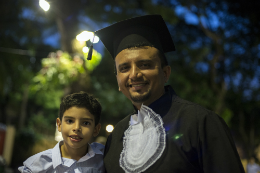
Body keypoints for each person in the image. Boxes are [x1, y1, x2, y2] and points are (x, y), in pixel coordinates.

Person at [92, 15, 246, 173]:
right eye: (124, 68)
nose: (134, 74)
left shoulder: (200, 123)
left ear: (165, 73)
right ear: (118, 80)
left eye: (145, 65)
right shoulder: (117, 135)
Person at [18, 92, 105, 173]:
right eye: (70, 121)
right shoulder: (36, 166)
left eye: (86, 123)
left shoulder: (104, 158)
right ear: (59, 124)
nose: (76, 128)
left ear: (96, 129)